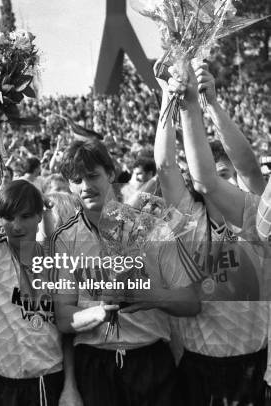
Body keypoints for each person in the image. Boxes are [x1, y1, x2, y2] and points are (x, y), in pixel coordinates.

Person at [50, 137, 199, 406]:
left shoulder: (153, 228)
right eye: (76, 180)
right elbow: (63, 316)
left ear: (110, 173)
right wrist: (100, 311)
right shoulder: (65, 237)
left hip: (150, 361)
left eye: (93, 176)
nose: (85, 186)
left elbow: (191, 302)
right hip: (95, 365)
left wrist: (154, 298)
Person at [164, 60, 269, 406]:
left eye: (228, 175)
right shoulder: (189, 220)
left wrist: (209, 104)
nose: (225, 182)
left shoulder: (256, 219)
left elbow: (248, 169)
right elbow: (198, 179)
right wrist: (186, 103)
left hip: (254, 365)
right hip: (202, 368)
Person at [0, 114, 80, 406]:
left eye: (26, 216)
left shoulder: (56, 262)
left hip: (48, 382)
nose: (16, 225)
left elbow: (67, 331)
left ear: (39, 216)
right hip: (1, 386)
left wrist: (70, 386)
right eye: (8, 217)